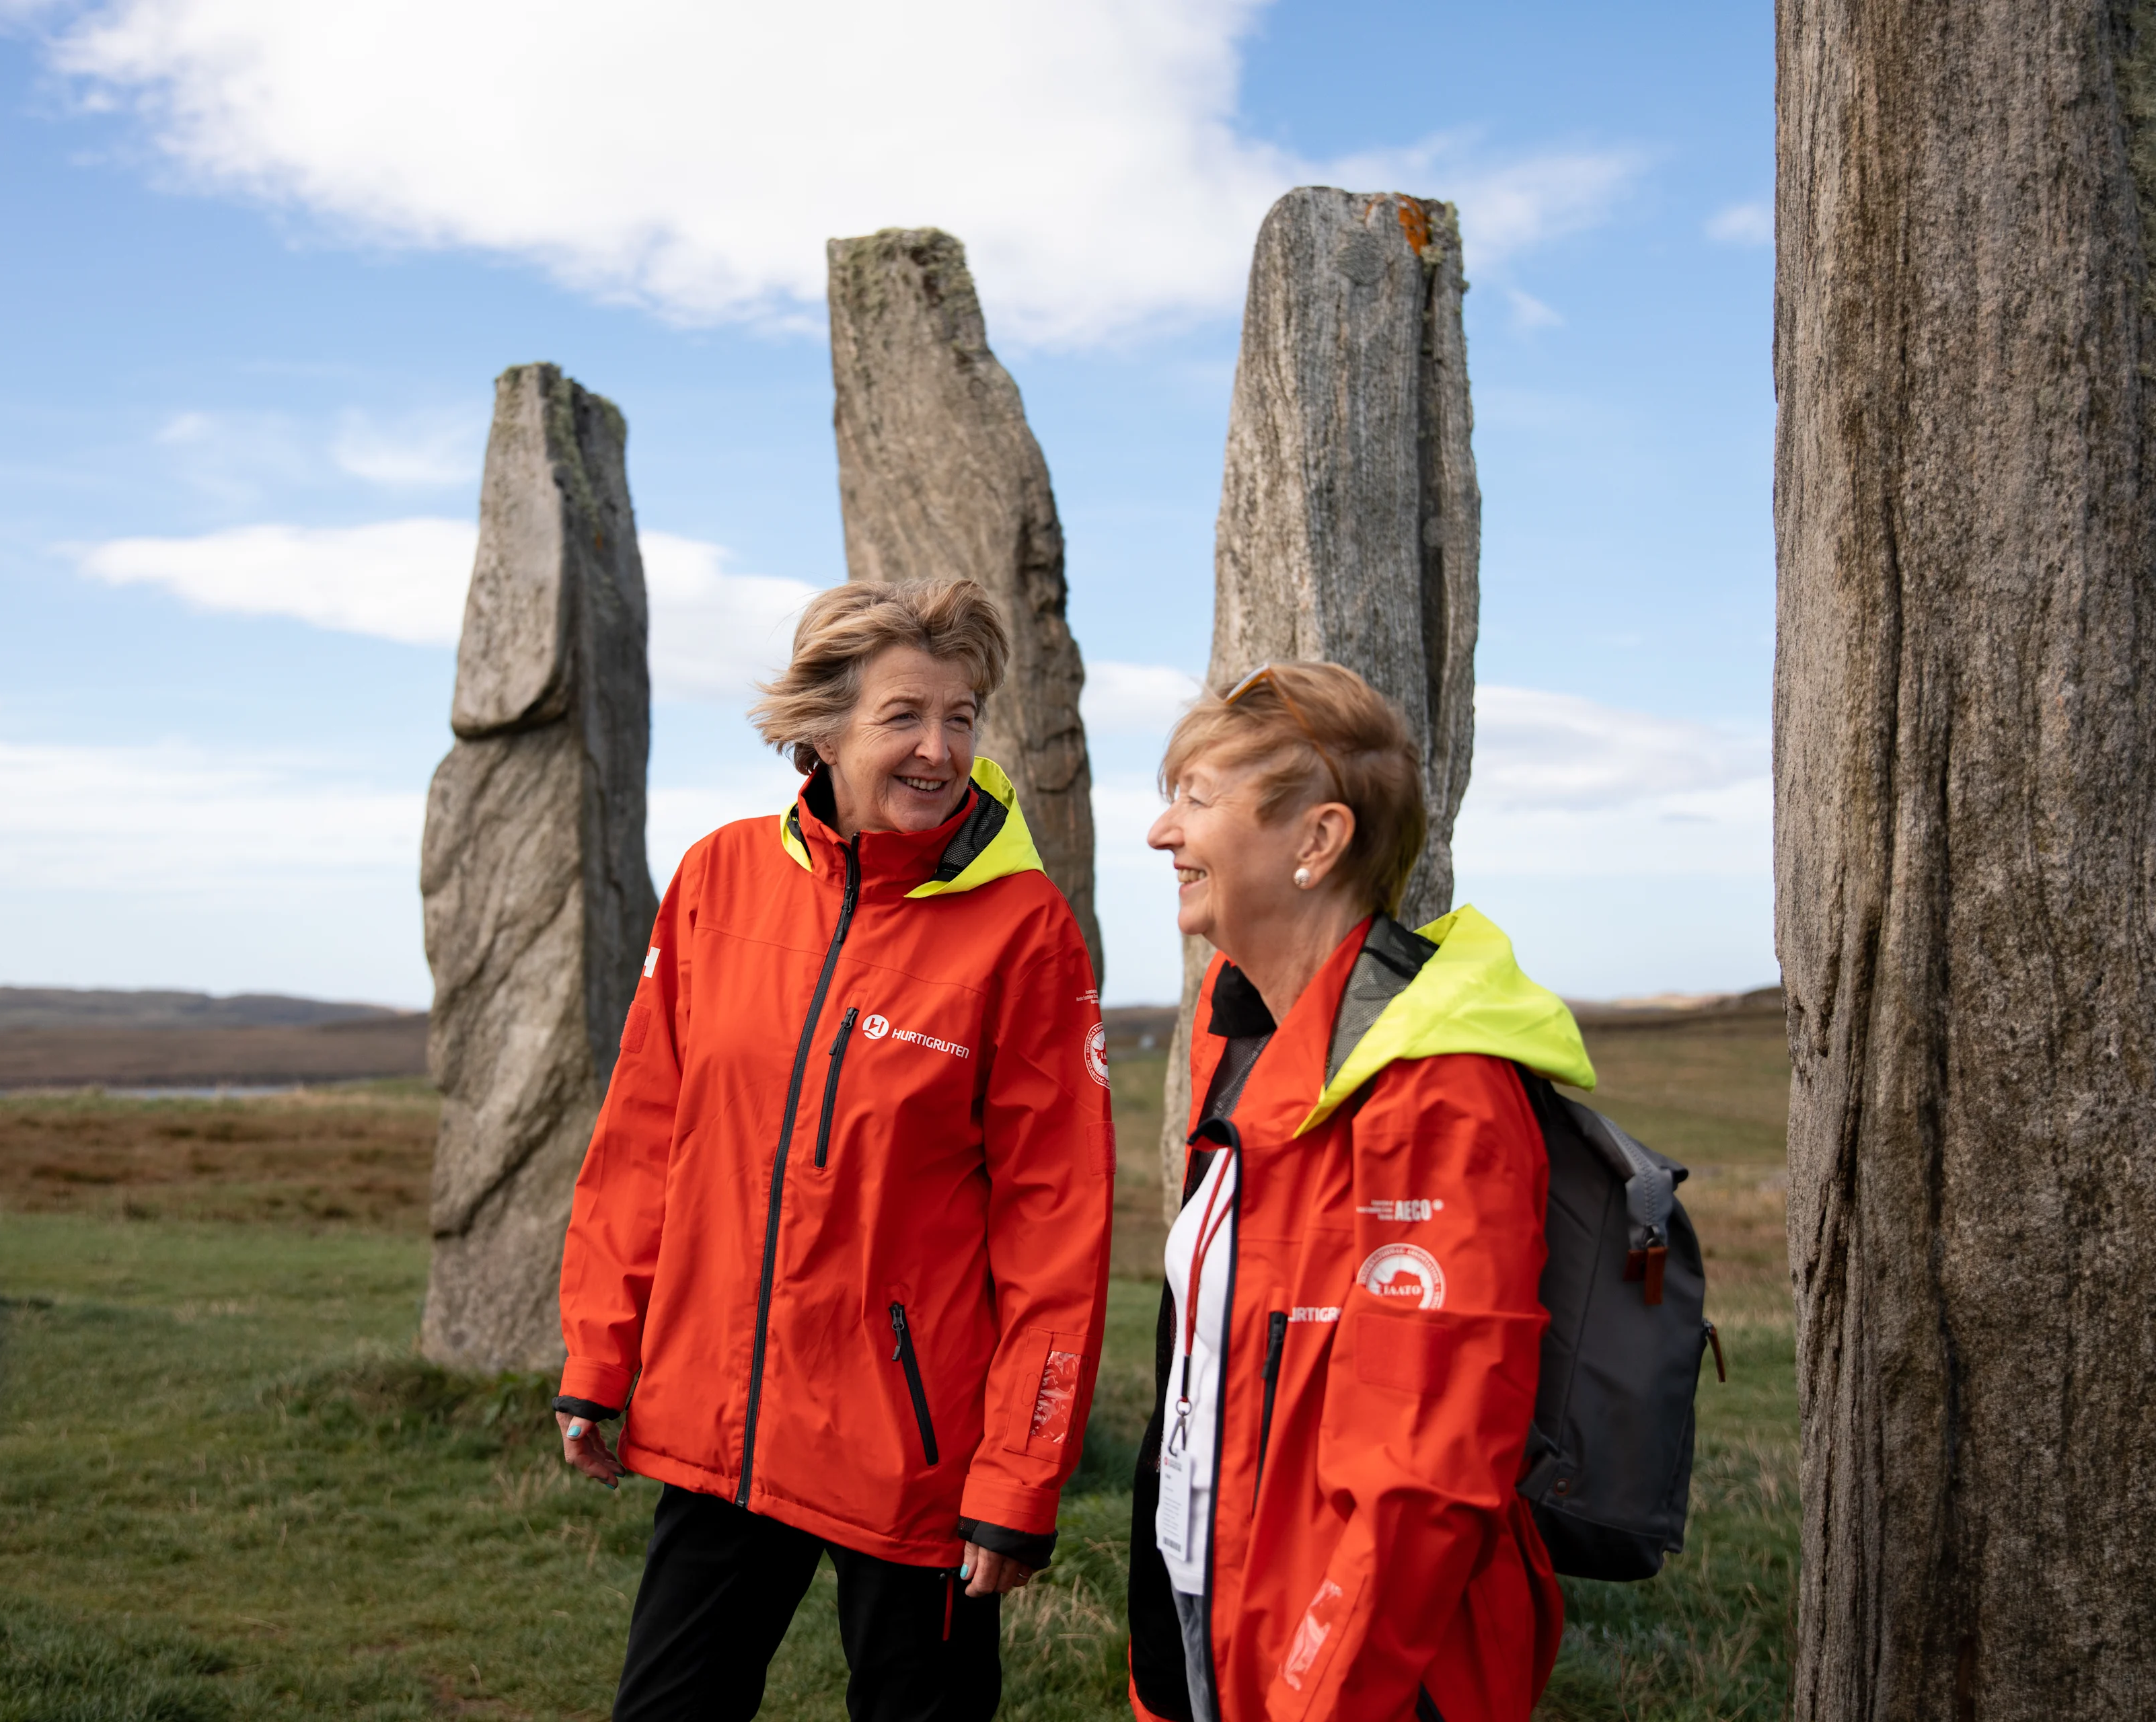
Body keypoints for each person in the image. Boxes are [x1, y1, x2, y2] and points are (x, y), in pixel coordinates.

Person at [554, 576, 1116, 1722]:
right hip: (722, 1416)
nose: (940, 749)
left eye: (962, 718)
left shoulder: (1025, 934)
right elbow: (644, 1138)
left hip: (916, 1456)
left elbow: (1059, 1230)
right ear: (821, 725)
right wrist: (600, 1358)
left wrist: (1019, 1475)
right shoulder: (718, 878)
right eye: (904, 716)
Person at [1127, 661, 1592, 1722]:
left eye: (1196, 799)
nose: (1162, 832)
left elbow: (1426, 1473)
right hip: (1222, 1620)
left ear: (1317, 842)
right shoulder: (1241, 1036)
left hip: (1369, 1674)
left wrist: (1317, 1697)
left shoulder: (1435, 1088)